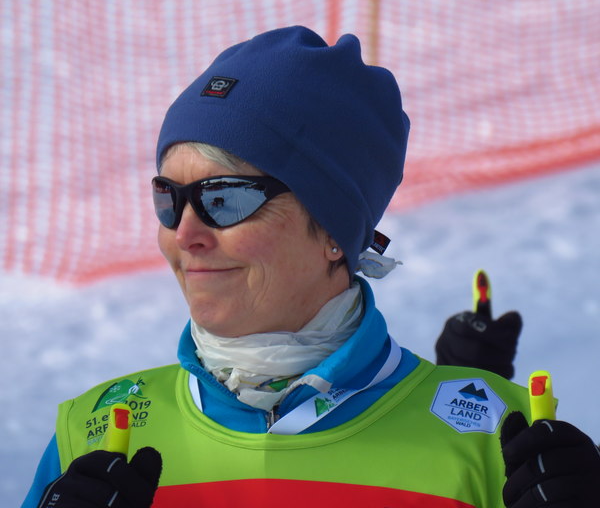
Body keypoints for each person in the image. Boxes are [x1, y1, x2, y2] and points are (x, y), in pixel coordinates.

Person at [24, 26, 600, 508]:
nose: (185, 234)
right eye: (168, 199)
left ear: (331, 232)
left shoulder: (502, 441)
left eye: (224, 199)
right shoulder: (96, 436)